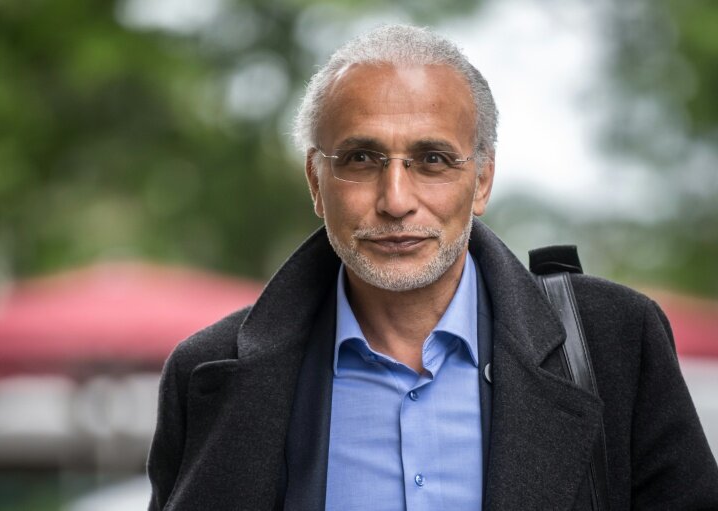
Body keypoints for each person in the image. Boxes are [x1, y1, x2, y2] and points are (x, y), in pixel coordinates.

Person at [147, 25, 718, 510]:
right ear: (315, 183)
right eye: (361, 159)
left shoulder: (616, 342)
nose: (396, 200)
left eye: (433, 160)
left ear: (483, 181)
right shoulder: (206, 374)